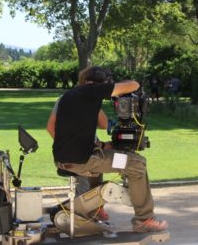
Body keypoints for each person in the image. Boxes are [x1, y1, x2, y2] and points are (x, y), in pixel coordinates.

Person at [50, 65, 168, 233]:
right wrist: (118, 85)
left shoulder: (69, 95)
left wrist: (104, 146)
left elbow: (77, 133)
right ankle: (144, 219)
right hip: (84, 161)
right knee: (137, 163)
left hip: (64, 159)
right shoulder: (93, 91)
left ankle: (93, 211)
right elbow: (133, 85)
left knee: (102, 160)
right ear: (100, 83)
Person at [47, 67, 111, 220]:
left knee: (98, 166)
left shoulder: (65, 98)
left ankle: (96, 207)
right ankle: (82, 217)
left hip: (83, 150)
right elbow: (104, 124)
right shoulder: (70, 99)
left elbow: (104, 125)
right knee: (86, 181)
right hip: (78, 154)